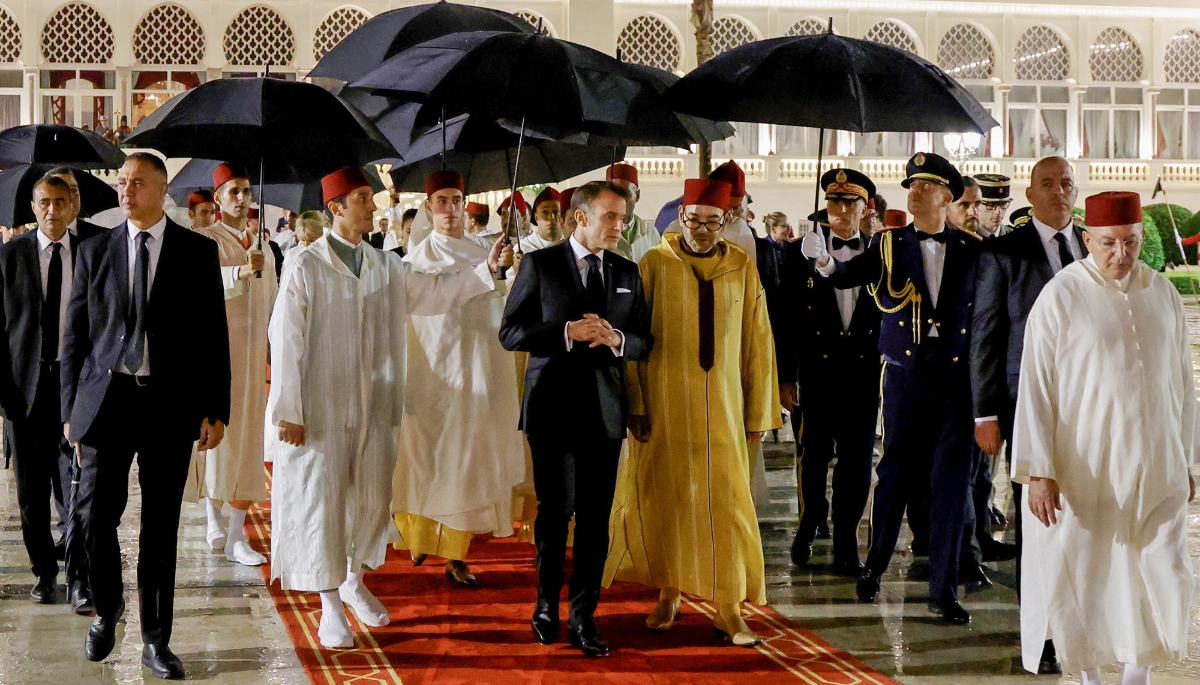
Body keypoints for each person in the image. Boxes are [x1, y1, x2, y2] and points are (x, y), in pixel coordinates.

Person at [267, 167, 512, 650]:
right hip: (320, 405)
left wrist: (487, 269)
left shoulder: (385, 265)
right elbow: (286, 338)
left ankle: (355, 582)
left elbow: (434, 294)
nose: (372, 205)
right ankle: (330, 605)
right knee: (324, 499)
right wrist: (287, 409)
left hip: (375, 402)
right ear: (335, 208)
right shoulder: (305, 264)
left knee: (370, 497)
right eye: (362, 198)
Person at [1012, 192, 1197, 685]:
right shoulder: (1061, 296)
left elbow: (1183, 385)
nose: (1121, 255)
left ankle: (1138, 674)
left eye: (1131, 243)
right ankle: (1090, 677)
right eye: (1110, 243)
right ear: (1086, 238)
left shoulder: (1163, 293)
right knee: (1086, 576)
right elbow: (1036, 387)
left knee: (1163, 569)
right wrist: (1038, 471)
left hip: (1158, 465)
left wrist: (1188, 460)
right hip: (1083, 469)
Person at [63, 152, 230, 678]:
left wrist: (216, 408)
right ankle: (108, 609)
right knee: (92, 516)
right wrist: (72, 411)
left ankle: (156, 639)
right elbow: (75, 337)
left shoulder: (196, 253)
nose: (126, 191)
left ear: (162, 191)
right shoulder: (94, 251)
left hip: (168, 405)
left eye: (137, 183)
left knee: (161, 527)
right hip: (105, 404)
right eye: (122, 183)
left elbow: (212, 338)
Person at [802, 152, 981, 625]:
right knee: (896, 474)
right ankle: (875, 565)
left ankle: (943, 590)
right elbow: (848, 275)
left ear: (948, 196)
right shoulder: (886, 245)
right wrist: (822, 259)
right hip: (905, 375)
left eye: (926, 186)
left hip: (955, 380)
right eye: (911, 186)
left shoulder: (971, 248)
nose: (915, 192)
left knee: (948, 484)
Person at [605, 177, 779, 647]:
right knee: (669, 500)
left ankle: (729, 609)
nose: (701, 230)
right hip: (665, 406)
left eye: (711, 222)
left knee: (727, 505)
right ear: (680, 217)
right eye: (694, 220)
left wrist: (760, 411)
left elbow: (758, 342)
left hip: (724, 409)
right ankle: (668, 593)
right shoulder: (654, 264)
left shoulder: (742, 266)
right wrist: (636, 403)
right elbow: (632, 342)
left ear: (726, 221)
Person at [500, 180, 652, 658]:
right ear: (580, 217)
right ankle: (546, 605)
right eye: (610, 216)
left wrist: (619, 341)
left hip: (606, 412)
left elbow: (645, 339)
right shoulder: (541, 265)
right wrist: (567, 331)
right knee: (555, 511)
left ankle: (584, 616)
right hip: (551, 408)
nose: (619, 225)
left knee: (594, 518)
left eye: (623, 217)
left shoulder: (628, 270)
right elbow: (510, 332)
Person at [970, 156, 1086, 673]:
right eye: (1047, 183)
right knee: (1037, 522)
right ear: (1031, 193)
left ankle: (1082, 624)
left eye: (1066, 183)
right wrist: (984, 413)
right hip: (1027, 407)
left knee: (1084, 521)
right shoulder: (1002, 253)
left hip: (1089, 410)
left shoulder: (1094, 244)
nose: (1058, 191)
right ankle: (1039, 635)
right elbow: (986, 337)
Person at [391, 170, 526, 587]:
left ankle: (456, 553)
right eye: (442, 201)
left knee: (466, 461)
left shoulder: (485, 250)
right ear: (429, 207)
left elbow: (502, 306)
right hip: (433, 374)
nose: (450, 209)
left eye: (456, 200)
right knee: (425, 457)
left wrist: (509, 273)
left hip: (480, 369)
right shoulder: (414, 260)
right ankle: (420, 534)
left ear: (465, 205)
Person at [0, 174, 103, 615]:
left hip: (77, 386)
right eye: (45, 202)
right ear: (33, 205)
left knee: (79, 487)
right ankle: (44, 571)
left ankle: (80, 579)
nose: (53, 210)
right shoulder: (10, 256)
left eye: (61, 202)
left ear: (73, 205)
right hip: (25, 390)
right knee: (30, 493)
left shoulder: (94, 251)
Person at [782, 169, 881, 577]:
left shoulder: (880, 251)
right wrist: (785, 377)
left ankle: (845, 545)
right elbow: (785, 318)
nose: (840, 211)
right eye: (834, 203)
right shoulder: (797, 253)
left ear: (864, 208)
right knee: (813, 456)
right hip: (816, 374)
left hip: (861, 374)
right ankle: (809, 523)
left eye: (849, 203)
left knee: (857, 463)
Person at [186, 163, 276, 567]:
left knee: (250, 440)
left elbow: (273, 299)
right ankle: (213, 518)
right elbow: (195, 292)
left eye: (245, 190)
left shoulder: (264, 244)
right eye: (232, 192)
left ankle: (238, 531)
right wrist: (239, 270)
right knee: (216, 439)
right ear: (217, 199)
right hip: (216, 358)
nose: (241, 198)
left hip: (255, 355)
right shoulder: (205, 240)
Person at [949, 175, 1018, 593]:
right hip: (960, 378)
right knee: (963, 474)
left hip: (989, 380)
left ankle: (977, 548)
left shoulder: (992, 248)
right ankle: (965, 557)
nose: (981, 213)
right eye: (972, 205)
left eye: (987, 205)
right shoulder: (957, 250)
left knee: (980, 474)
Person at [605, 164, 660, 263]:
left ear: (637, 196)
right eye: (614, 194)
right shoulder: (599, 232)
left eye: (624, 194)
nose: (619, 200)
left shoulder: (650, 232)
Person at [521, 187, 565, 252]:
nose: (551, 217)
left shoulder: (571, 245)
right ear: (536, 217)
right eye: (545, 212)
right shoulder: (524, 247)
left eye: (555, 212)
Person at [974, 173, 1014, 238]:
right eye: (991, 205)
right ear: (976, 205)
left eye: (1003, 205)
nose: (998, 212)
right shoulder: (964, 238)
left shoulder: (1016, 238)